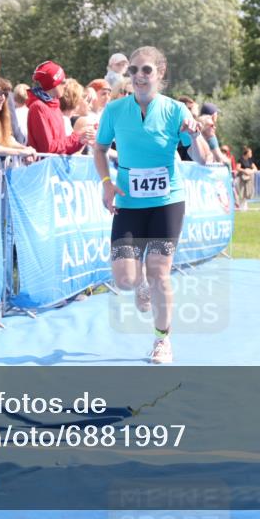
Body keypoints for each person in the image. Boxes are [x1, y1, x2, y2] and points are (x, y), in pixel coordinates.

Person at [93, 46, 208, 364]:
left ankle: (162, 341)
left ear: (160, 73)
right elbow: (100, 150)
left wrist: (195, 134)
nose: (139, 76)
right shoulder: (115, 111)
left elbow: (203, 159)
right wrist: (106, 184)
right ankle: (140, 284)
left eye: (146, 70)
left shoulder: (176, 111)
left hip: (166, 202)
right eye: (134, 70)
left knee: (159, 272)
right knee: (125, 279)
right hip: (128, 203)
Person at [26, 61, 94, 154]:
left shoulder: (55, 105)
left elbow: (63, 147)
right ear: (53, 84)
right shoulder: (38, 107)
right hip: (45, 166)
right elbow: (48, 148)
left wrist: (82, 139)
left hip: (55, 165)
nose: (65, 85)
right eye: (63, 82)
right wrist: (78, 137)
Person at [235, 146, 258, 210]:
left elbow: (255, 168)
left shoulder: (250, 160)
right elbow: (237, 168)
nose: (251, 154)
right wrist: (244, 170)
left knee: (246, 193)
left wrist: (250, 171)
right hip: (241, 179)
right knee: (241, 193)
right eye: (250, 152)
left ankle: (244, 207)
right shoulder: (241, 159)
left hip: (247, 179)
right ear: (246, 153)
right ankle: (241, 207)